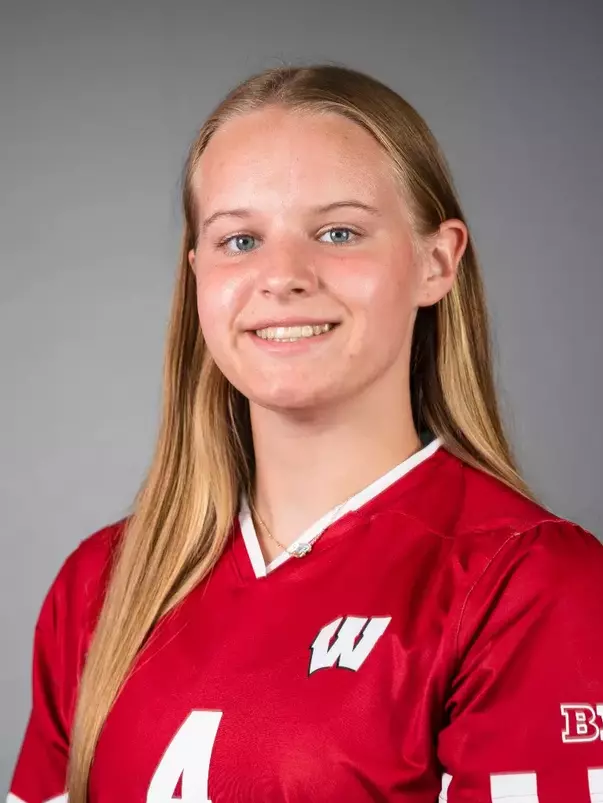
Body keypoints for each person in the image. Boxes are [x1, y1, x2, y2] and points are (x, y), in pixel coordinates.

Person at [7, 63, 603, 803]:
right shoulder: (101, 585)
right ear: (196, 275)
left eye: (338, 232)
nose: (282, 275)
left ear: (436, 262)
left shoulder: (527, 587)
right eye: (239, 240)